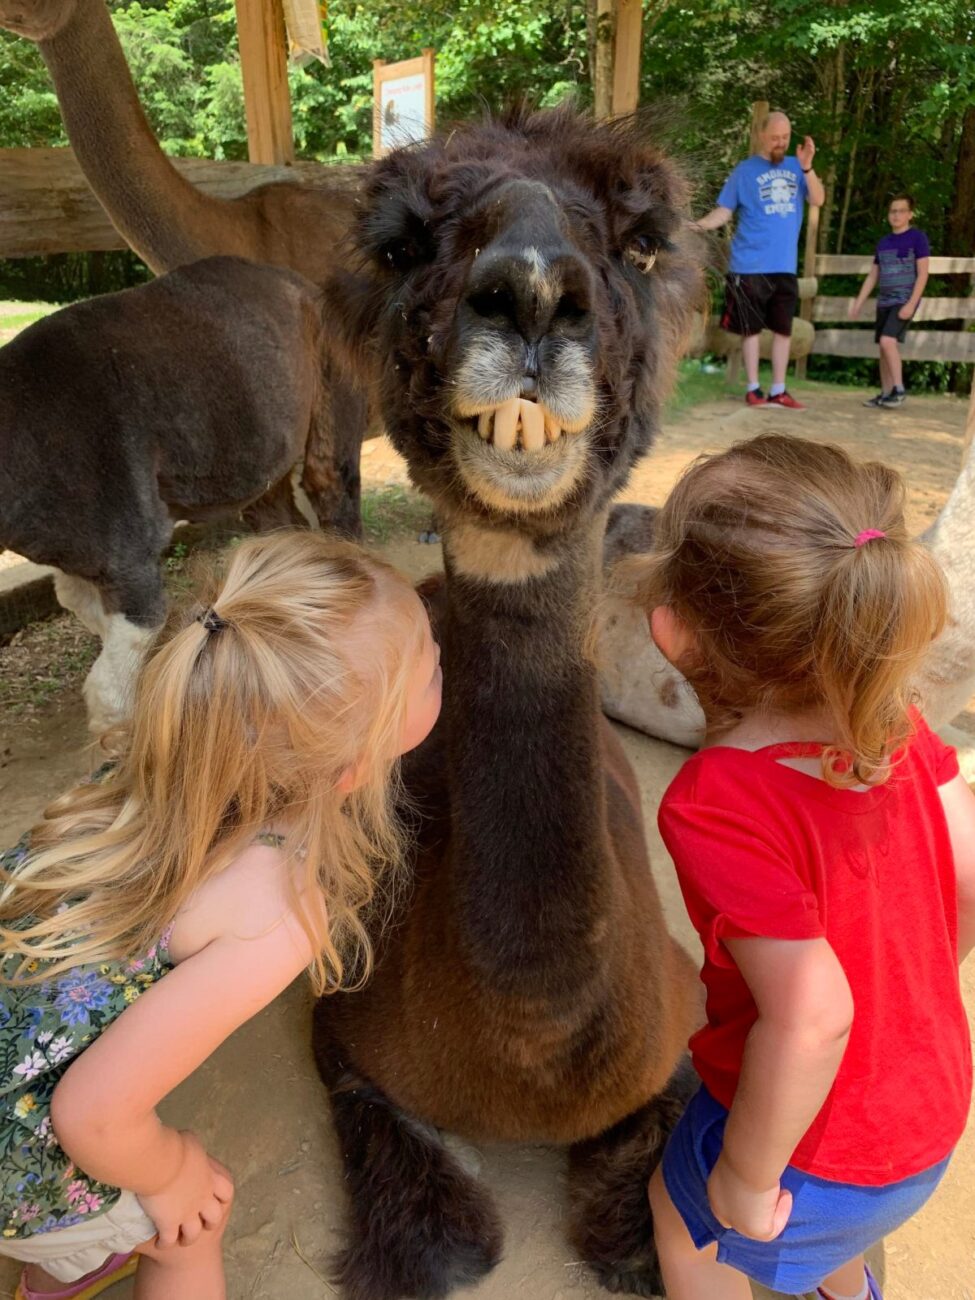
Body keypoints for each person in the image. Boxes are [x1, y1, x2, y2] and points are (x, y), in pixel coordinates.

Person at [0, 531, 443, 1300]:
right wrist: (170, 1172)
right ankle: (68, 1251)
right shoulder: (273, 912)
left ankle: (66, 1251)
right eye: (432, 662)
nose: (443, 659)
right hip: (17, 1142)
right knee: (193, 1222)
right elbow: (93, 1113)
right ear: (355, 766)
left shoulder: (166, 755)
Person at [628, 434, 974, 1300]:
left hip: (816, 1150)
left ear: (673, 631)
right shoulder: (897, 724)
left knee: (682, 1226)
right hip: (928, 1111)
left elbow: (811, 1017)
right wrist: (913, 981)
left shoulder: (717, 800)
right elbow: (969, 881)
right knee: (837, 1235)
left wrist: (746, 1178)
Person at [695, 112, 826, 409]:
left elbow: (818, 199)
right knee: (750, 329)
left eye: (785, 137)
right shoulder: (744, 171)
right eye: (775, 137)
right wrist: (697, 226)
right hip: (748, 264)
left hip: (784, 265)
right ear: (762, 136)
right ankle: (753, 388)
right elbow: (724, 211)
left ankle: (779, 389)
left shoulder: (797, 167)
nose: (781, 143)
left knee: (783, 330)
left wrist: (807, 167)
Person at [849, 194, 930, 409]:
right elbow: (873, 275)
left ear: (910, 214)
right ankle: (885, 394)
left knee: (888, 341)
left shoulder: (917, 238)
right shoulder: (884, 242)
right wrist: (858, 302)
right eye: (893, 211)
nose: (896, 215)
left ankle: (899, 389)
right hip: (883, 302)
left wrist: (912, 303)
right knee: (883, 348)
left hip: (904, 300)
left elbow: (923, 274)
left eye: (901, 211)